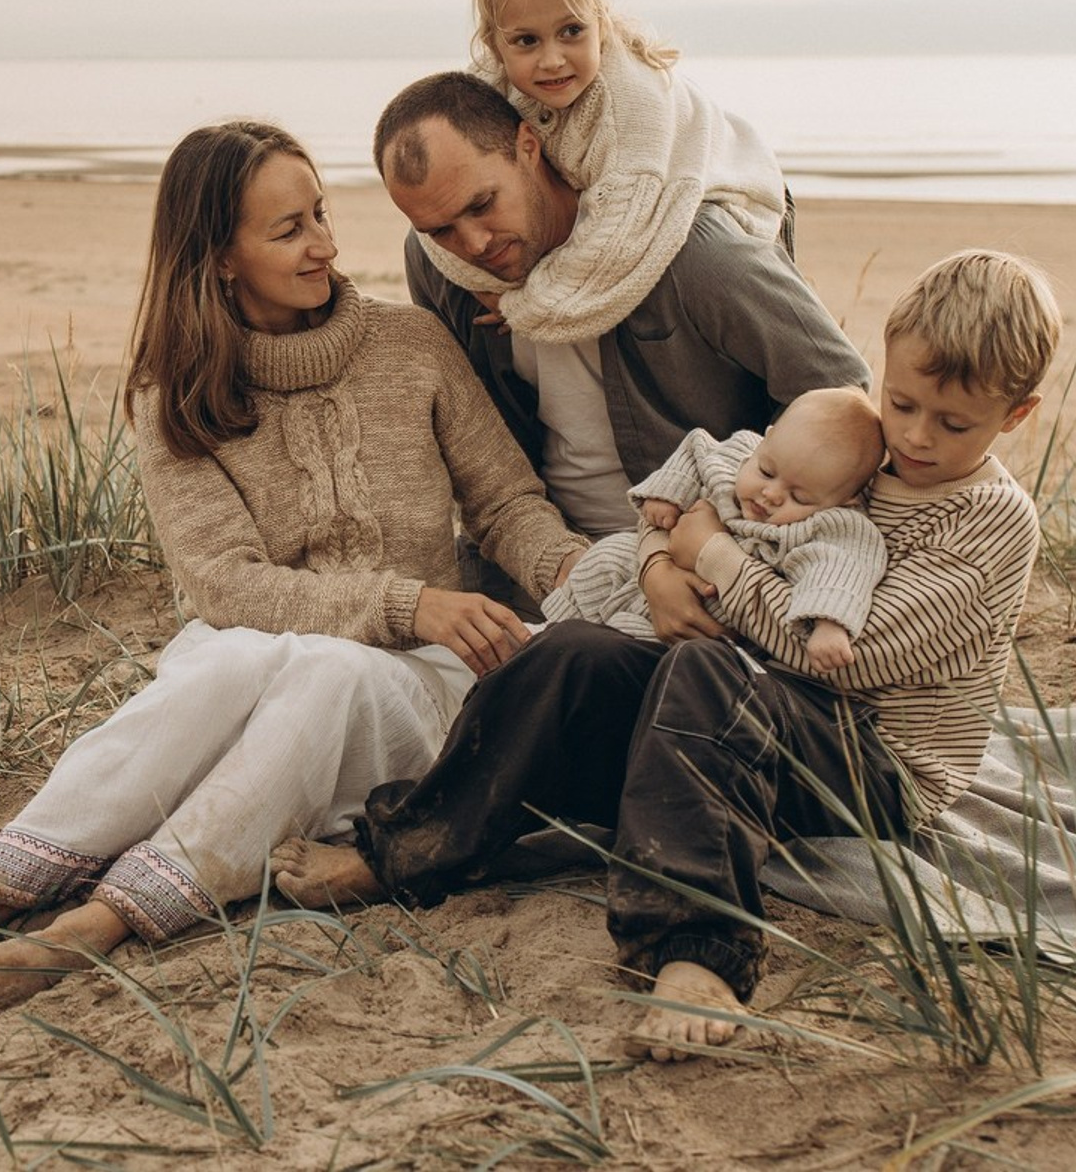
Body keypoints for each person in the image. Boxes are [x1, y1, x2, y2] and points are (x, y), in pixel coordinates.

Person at [0, 122, 587, 1029]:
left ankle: (93, 925)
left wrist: (582, 575)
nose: (324, 245)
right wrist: (406, 600)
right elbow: (224, 585)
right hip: (260, 667)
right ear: (219, 258)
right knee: (232, 657)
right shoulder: (172, 390)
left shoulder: (411, 344)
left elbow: (507, 505)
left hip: (410, 683)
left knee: (327, 670)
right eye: (288, 230)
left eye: (320, 215)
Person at [273, 249, 1061, 1063]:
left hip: (870, 766)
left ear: (1016, 415)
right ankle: (408, 850)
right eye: (902, 402)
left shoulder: (987, 520)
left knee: (706, 671)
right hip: (736, 704)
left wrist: (711, 554)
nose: (918, 435)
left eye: (954, 424)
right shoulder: (859, 449)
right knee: (574, 651)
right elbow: (708, 496)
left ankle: (696, 950)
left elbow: (851, 657)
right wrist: (660, 558)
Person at [374, 71, 871, 630]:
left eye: (483, 204)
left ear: (528, 147)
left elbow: (837, 394)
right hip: (533, 572)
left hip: (699, 573)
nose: (474, 244)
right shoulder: (443, 269)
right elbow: (478, 456)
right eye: (440, 230)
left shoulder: (693, 254)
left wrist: (722, 533)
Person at [420, 0, 787, 340]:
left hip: (734, 197)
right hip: (637, 199)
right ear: (494, 46)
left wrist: (521, 307)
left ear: (601, 23)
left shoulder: (633, 107)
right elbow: (435, 194)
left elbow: (614, 245)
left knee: (683, 266)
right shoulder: (488, 86)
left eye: (572, 31)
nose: (552, 60)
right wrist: (484, 281)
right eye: (526, 41)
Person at [545, 385, 887, 674]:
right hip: (648, 573)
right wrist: (668, 494)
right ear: (766, 441)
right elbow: (696, 449)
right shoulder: (739, 453)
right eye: (767, 472)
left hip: (705, 619)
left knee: (624, 639)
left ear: (845, 501)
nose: (770, 494)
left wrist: (830, 624)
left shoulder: (832, 526)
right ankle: (550, 630)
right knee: (607, 554)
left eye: (799, 497)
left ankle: (571, 654)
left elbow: (841, 568)